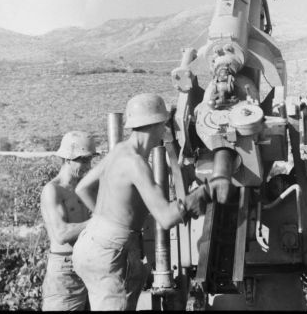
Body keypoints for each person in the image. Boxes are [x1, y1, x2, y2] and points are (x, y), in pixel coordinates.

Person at [72, 93, 212, 311]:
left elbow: (82, 188)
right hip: (108, 252)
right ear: (158, 125)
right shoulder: (136, 163)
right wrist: (203, 193)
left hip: (90, 242)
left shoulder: (119, 150)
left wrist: (107, 221)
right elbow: (165, 218)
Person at [40, 131, 97, 311]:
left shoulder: (85, 188)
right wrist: (99, 222)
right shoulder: (53, 190)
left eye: (89, 160)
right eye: (83, 160)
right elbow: (62, 233)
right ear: (67, 159)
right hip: (64, 270)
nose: (88, 165)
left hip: (87, 266)